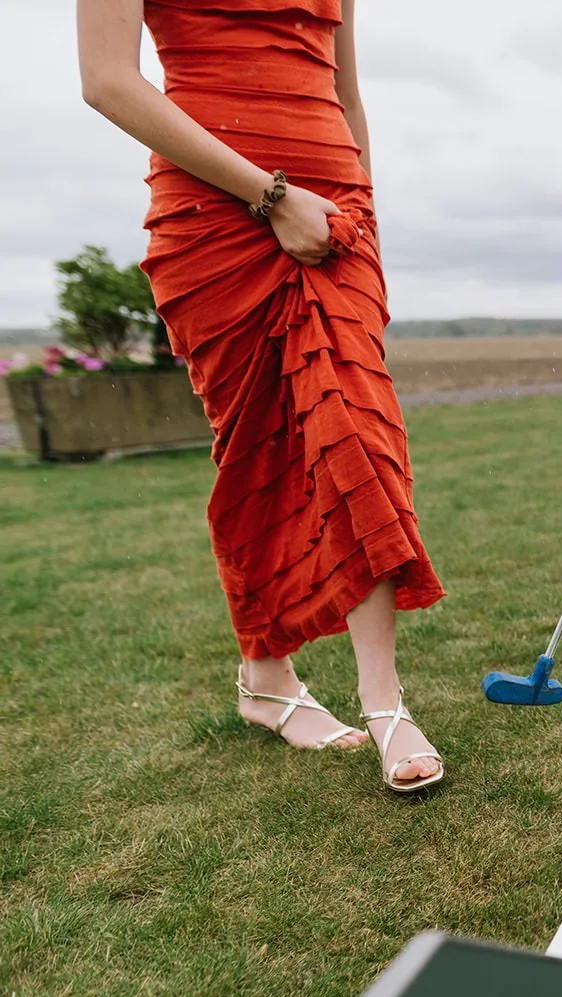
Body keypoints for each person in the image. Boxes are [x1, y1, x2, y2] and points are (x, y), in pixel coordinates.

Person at [77, 0, 445, 792]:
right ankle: (265, 676)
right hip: (214, 223)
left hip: (337, 216)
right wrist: (274, 198)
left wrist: (366, 228)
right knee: (257, 453)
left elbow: (345, 94)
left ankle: (385, 700)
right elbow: (106, 80)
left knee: (359, 431)